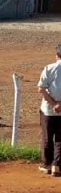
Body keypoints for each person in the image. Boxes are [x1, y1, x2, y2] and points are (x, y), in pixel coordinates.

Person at [37, 43, 61, 177]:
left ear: (57, 55)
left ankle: (46, 164)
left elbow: (41, 89)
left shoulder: (49, 68)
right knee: (60, 139)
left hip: (48, 110)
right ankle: (57, 167)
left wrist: (53, 104)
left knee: (47, 137)